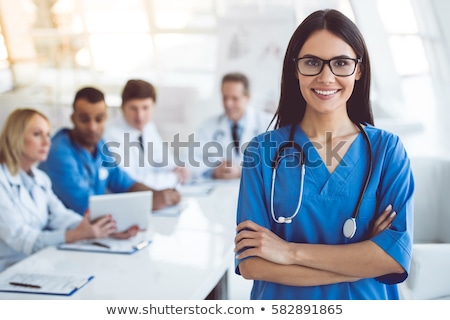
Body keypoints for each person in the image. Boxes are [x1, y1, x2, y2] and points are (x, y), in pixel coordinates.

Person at [234, 9, 414, 300]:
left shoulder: (387, 151)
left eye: (341, 63)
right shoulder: (262, 152)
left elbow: (393, 259)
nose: (326, 77)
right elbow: (253, 264)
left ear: (359, 69)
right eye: (312, 62)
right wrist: (365, 258)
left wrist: (288, 251)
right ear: (295, 69)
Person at [0, 109, 138, 272]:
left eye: (48, 135)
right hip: (8, 273)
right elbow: (23, 239)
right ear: (15, 137)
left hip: (38, 264)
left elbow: (59, 216)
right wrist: (77, 235)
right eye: (37, 134)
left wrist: (103, 230)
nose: (46, 142)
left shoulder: (39, 178)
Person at [39, 87, 180, 216]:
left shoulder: (99, 145)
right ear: (73, 119)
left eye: (99, 119)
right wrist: (149, 202)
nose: (92, 127)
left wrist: (158, 195)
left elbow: (125, 183)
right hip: (65, 231)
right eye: (84, 120)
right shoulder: (59, 153)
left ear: (106, 118)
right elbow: (87, 206)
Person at [104, 79, 189, 190]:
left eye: (145, 108)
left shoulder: (149, 127)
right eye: (133, 108)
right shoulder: (112, 137)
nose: (140, 116)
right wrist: (172, 178)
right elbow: (133, 183)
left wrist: (178, 169)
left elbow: (166, 162)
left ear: (153, 107)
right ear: (123, 107)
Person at [193, 72, 274, 180]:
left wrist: (242, 170)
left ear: (247, 98)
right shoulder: (209, 126)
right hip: (217, 192)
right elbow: (190, 160)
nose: (228, 104)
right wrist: (213, 171)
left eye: (234, 99)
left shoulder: (269, 123)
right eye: (225, 98)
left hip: (256, 192)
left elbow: (279, 164)